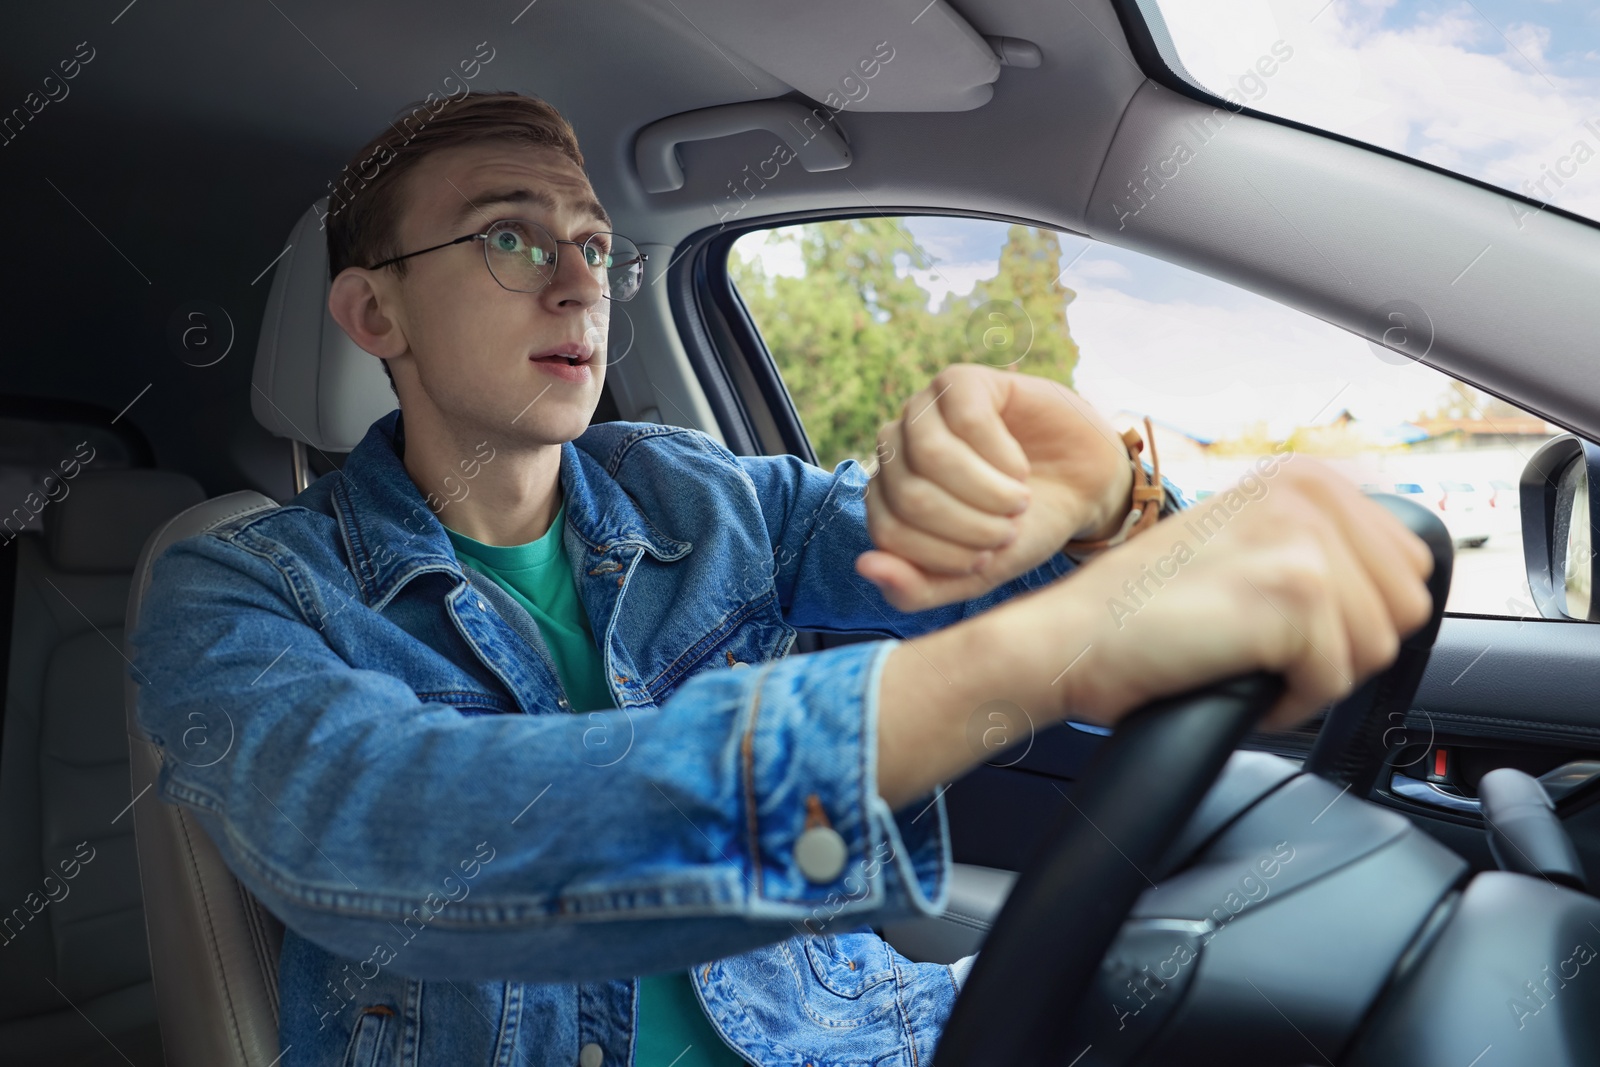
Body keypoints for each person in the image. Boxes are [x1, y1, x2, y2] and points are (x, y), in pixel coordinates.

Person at [129, 90, 1433, 1067]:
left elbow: (976, 576)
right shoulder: (234, 591)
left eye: (595, 245)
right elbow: (410, 833)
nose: (582, 280)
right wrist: (1023, 663)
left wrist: (1105, 508)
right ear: (375, 317)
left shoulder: (690, 491)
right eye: (511, 241)